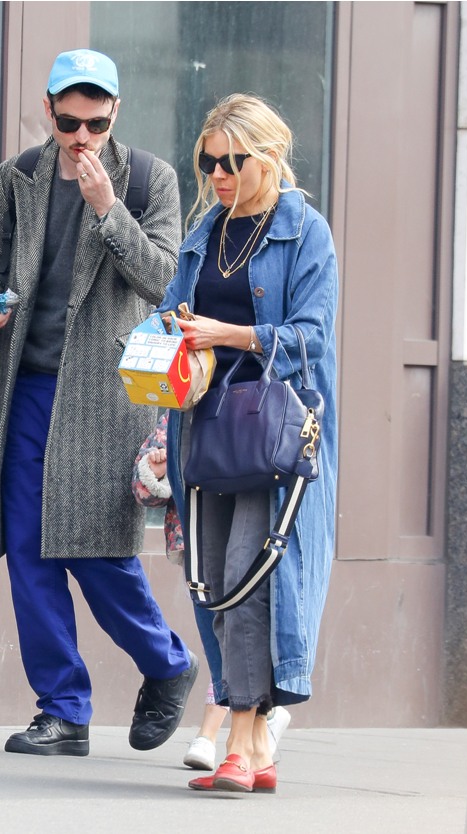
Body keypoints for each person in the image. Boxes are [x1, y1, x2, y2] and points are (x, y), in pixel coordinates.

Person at [0, 48, 198, 757]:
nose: (82, 136)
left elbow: (165, 280)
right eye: (69, 120)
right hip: (29, 388)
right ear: (49, 110)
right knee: (31, 553)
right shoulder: (20, 177)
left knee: (98, 552)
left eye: (95, 121)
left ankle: (169, 664)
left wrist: (107, 209)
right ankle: (62, 709)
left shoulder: (151, 179)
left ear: (114, 114)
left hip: (106, 396)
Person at [158, 93, 338, 793]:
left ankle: (238, 737)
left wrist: (223, 334)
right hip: (204, 427)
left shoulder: (304, 232)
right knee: (210, 581)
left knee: (247, 573)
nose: (217, 174)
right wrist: (161, 334)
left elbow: (311, 338)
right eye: (208, 163)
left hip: (271, 434)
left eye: (229, 162)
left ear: (266, 155)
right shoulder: (208, 229)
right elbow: (175, 308)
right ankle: (259, 745)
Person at [132, 410, 291, 772]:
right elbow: (142, 489)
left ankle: (215, 736)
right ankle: (261, 734)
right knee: (220, 636)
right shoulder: (177, 417)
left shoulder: (251, 407)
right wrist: (158, 471)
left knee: (234, 626)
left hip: (243, 539)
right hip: (195, 547)